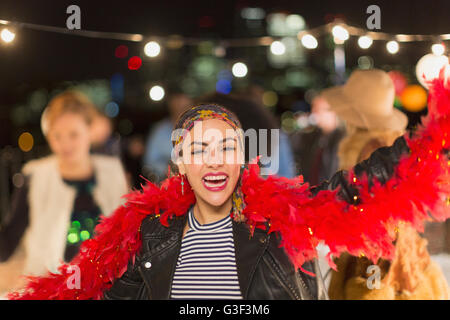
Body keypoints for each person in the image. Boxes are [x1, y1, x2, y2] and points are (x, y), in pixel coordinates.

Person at [7, 73, 450, 300]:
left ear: (243, 158)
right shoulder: (146, 234)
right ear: (180, 163)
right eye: (199, 149)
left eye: (226, 147)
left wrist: (437, 141)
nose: (214, 160)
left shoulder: (280, 219)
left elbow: (354, 190)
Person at [321, 69, 449, 299]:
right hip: (394, 248)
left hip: (373, 254)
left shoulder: (372, 147)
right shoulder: (389, 142)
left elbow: (375, 215)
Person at [0, 91, 129, 295]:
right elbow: (10, 237)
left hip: (107, 287)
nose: (65, 144)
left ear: (89, 130)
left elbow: (128, 231)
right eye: (56, 135)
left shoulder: (112, 172)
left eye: (73, 134)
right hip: (51, 289)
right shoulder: (35, 175)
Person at [291, 96, 345, 185]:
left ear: (333, 112)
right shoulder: (314, 136)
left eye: (319, 109)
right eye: (314, 109)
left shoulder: (342, 139)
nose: (314, 113)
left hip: (329, 193)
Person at [143, 93, 192, 182]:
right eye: (177, 107)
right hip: (166, 182)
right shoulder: (159, 130)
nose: (180, 111)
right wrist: (169, 170)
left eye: (184, 107)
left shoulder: (199, 129)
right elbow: (150, 161)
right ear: (171, 108)